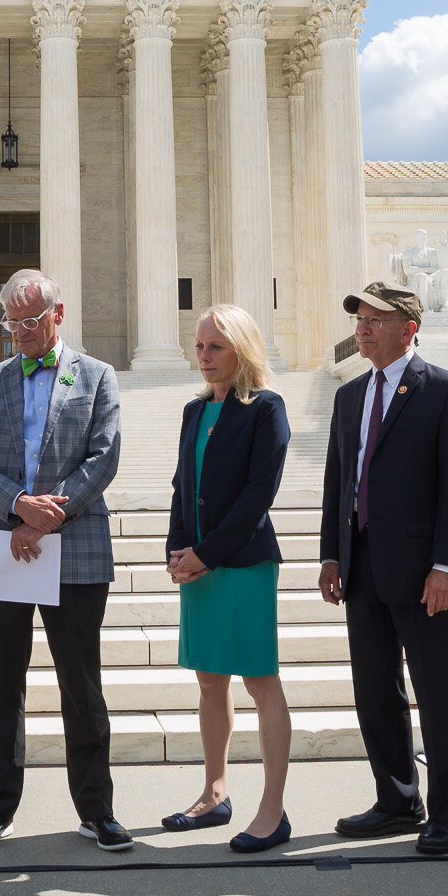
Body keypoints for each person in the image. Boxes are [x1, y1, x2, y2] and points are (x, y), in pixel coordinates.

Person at [0, 270, 128, 852]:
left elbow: (104, 458)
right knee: (0, 685)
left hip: (73, 544)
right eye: (11, 321)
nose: (19, 332)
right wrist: (18, 509)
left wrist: (49, 515)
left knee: (82, 686)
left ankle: (97, 809)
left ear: (58, 315)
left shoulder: (98, 377)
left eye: (30, 321)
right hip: (4, 546)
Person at [320, 280, 448, 857]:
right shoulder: (350, 396)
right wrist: (331, 553)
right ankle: (396, 800)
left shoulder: (446, 390)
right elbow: (338, 481)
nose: (362, 327)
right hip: (361, 567)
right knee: (376, 691)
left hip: (424, 574)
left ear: (408, 327)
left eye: (375, 319)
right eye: (359, 318)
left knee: (439, 693)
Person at [164, 304, 292, 853]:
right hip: (198, 564)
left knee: (260, 682)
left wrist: (206, 554)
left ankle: (272, 810)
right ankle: (214, 793)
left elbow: (257, 496)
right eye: (199, 346)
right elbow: (180, 486)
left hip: (241, 564)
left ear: (241, 348)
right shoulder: (195, 411)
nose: (205, 357)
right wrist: (176, 552)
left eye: (215, 346)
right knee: (209, 680)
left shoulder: (266, 408)